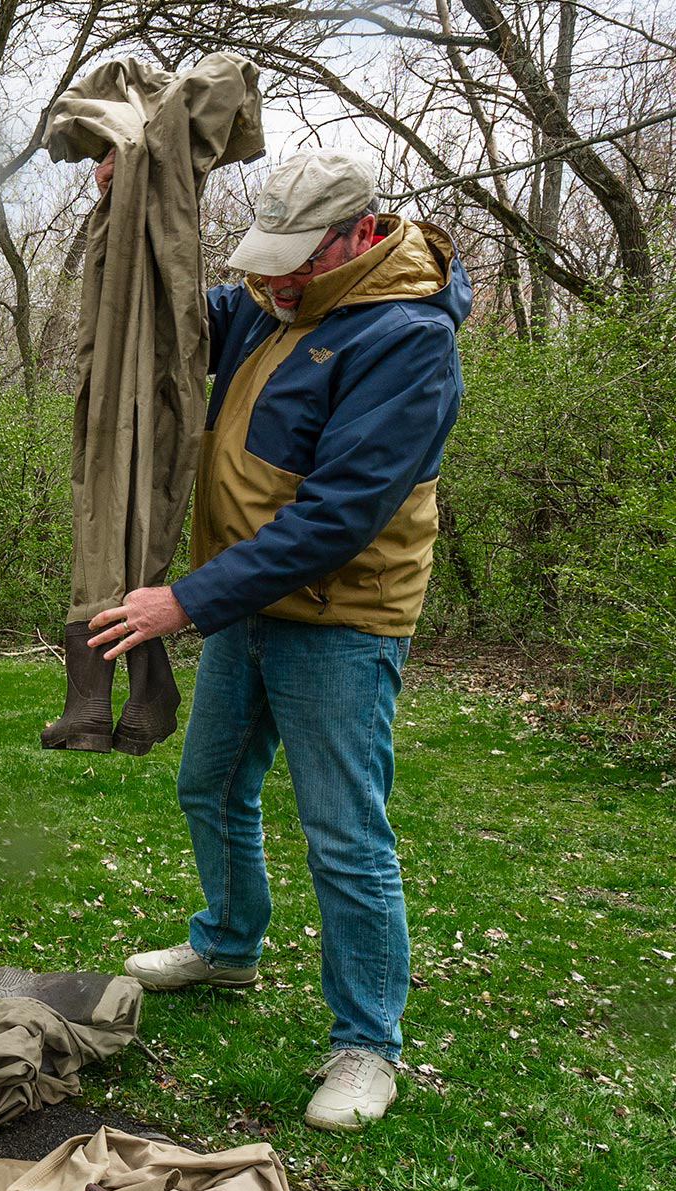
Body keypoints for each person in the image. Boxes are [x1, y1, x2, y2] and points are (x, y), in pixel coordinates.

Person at [86, 149, 472, 1130]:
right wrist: (129, 219)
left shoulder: (408, 338)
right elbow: (170, 327)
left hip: (342, 616)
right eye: (266, 259)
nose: (273, 277)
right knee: (209, 784)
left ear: (355, 233)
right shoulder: (273, 301)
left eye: (295, 258)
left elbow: (338, 518)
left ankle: (367, 1045)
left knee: (344, 833)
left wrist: (186, 602)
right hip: (248, 603)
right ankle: (229, 945)